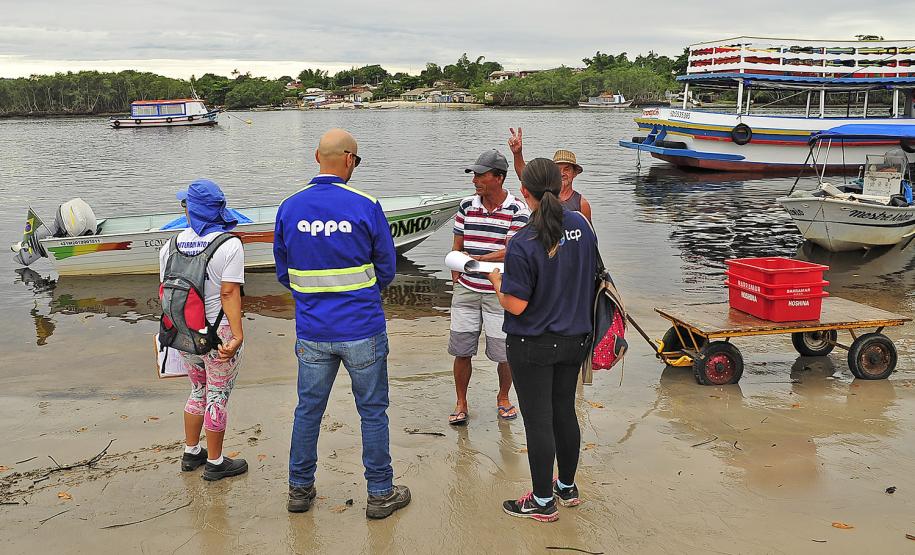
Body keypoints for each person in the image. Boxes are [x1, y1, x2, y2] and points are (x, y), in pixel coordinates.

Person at [274, 128, 410, 520]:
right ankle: (380, 493)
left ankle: (299, 490)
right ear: (349, 159)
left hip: (313, 330)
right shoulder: (366, 205)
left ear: (319, 157)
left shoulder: (290, 207)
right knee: (372, 412)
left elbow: (284, 272)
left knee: (308, 411)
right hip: (362, 328)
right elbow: (386, 267)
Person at [486, 158, 598, 522]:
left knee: (538, 420)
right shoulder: (581, 222)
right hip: (576, 337)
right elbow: (589, 269)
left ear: (524, 192)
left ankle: (542, 500)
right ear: (559, 183)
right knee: (565, 411)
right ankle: (566, 486)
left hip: (533, 343)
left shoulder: (523, 240)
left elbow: (516, 305)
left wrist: (496, 282)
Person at [159, 179, 247, 481]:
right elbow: (229, 293)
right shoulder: (229, 244)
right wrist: (237, 335)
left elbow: (166, 290)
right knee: (218, 395)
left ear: (192, 210)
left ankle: (190, 452)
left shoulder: (169, 245)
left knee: (197, 389)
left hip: (184, 333)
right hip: (218, 334)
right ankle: (215, 462)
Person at [448, 149, 530, 425]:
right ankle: (461, 401)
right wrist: (455, 265)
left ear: (499, 177)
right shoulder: (466, 205)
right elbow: (458, 240)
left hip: (500, 289)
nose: (475, 180)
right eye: (474, 174)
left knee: (503, 351)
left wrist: (479, 259)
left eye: (481, 175)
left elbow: (513, 250)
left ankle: (503, 397)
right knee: (461, 348)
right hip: (467, 286)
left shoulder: (518, 209)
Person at [507, 128, 592, 221]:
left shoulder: (581, 204)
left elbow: (588, 233)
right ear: (553, 172)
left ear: (574, 173)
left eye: (567, 169)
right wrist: (517, 153)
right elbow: (525, 176)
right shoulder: (542, 194)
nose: (562, 173)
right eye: (558, 169)